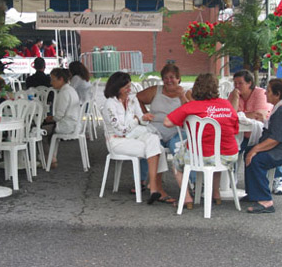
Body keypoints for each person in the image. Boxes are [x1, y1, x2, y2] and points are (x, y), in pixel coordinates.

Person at [164, 73, 239, 209]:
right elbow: (235, 129)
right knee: (215, 159)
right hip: (229, 156)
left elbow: (167, 122)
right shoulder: (227, 105)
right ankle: (216, 194)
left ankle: (187, 198)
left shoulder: (192, 106)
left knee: (176, 164)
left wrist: (186, 120)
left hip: (199, 156)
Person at [101, 71, 171, 205]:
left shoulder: (132, 100)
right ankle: (155, 188)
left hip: (134, 135)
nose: (129, 90)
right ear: (116, 88)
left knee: (154, 141)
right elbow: (120, 130)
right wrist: (136, 120)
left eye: (130, 86)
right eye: (126, 87)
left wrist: (144, 118)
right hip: (117, 140)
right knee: (158, 149)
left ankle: (154, 188)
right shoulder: (110, 104)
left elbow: (142, 120)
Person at [134, 64, 192, 199]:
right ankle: (142, 181)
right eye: (165, 78)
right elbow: (137, 98)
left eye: (172, 77)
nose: (169, 80)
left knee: (183, 150)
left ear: (178, 79)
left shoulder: (186, 93)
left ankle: (191, 185)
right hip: (156, 128)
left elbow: (191, 111)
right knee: (148, 146)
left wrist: (181, 96)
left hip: (177, 130)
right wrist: (144, 113)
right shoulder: (156, 90)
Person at [243, 78, 282, 214]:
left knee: (256, 160)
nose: (265, 94)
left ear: (277, 94)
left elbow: (275, 139)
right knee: (248, 152)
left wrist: (255, 150)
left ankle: (265, 201)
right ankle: (253, 193)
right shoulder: (281, 108)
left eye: (268, 91)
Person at [228, 70, 282, 195]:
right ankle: (230, 181)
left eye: (240, 83)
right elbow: (230, 115)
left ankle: (279, 179)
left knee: (264, 149)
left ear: (250, 83)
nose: (237, 86)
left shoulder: (260, 93)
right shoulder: (233, 95)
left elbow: (261, 114)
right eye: (235, 83)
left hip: (262, 133)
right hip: (242, 134)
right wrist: (236, 99)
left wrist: (241, 115)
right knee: (230, 149)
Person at [45, 68, 80, 168]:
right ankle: (51, 157)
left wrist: (51, 118)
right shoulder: (71, 90)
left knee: (42, 131)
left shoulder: (64, 93)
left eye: (53, 80)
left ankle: (49, 158)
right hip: (74, 123)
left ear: (61, 79)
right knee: (48, 129)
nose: (51, 83)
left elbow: (59, 116)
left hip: (67, 125)